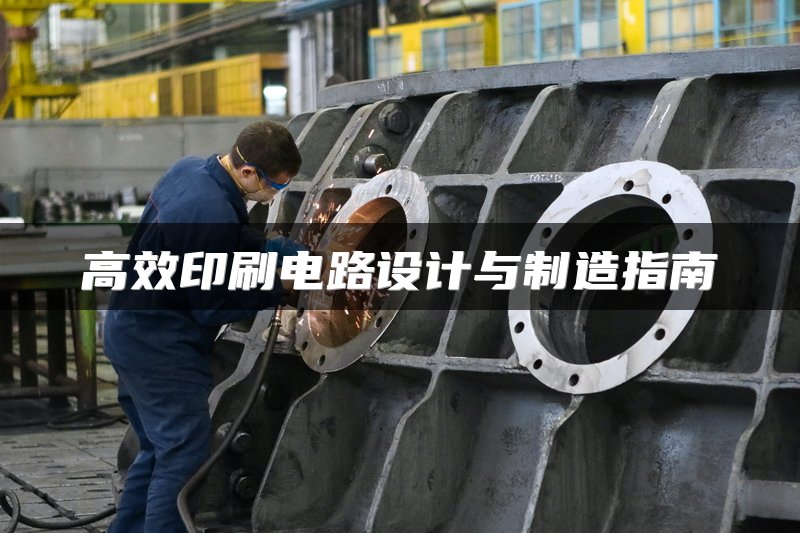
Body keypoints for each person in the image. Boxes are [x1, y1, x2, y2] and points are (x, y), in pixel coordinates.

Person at [104, 120, 304, 532]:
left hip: (128, 326)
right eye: (274, 186)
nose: (274, 194)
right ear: (248, 172)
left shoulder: (191, 171)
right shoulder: (209, 213)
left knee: (157, 450)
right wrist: (280, 288)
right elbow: (212, 306)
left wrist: (273, 248)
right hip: (160, 345)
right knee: (182, 455)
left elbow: (224, 241)